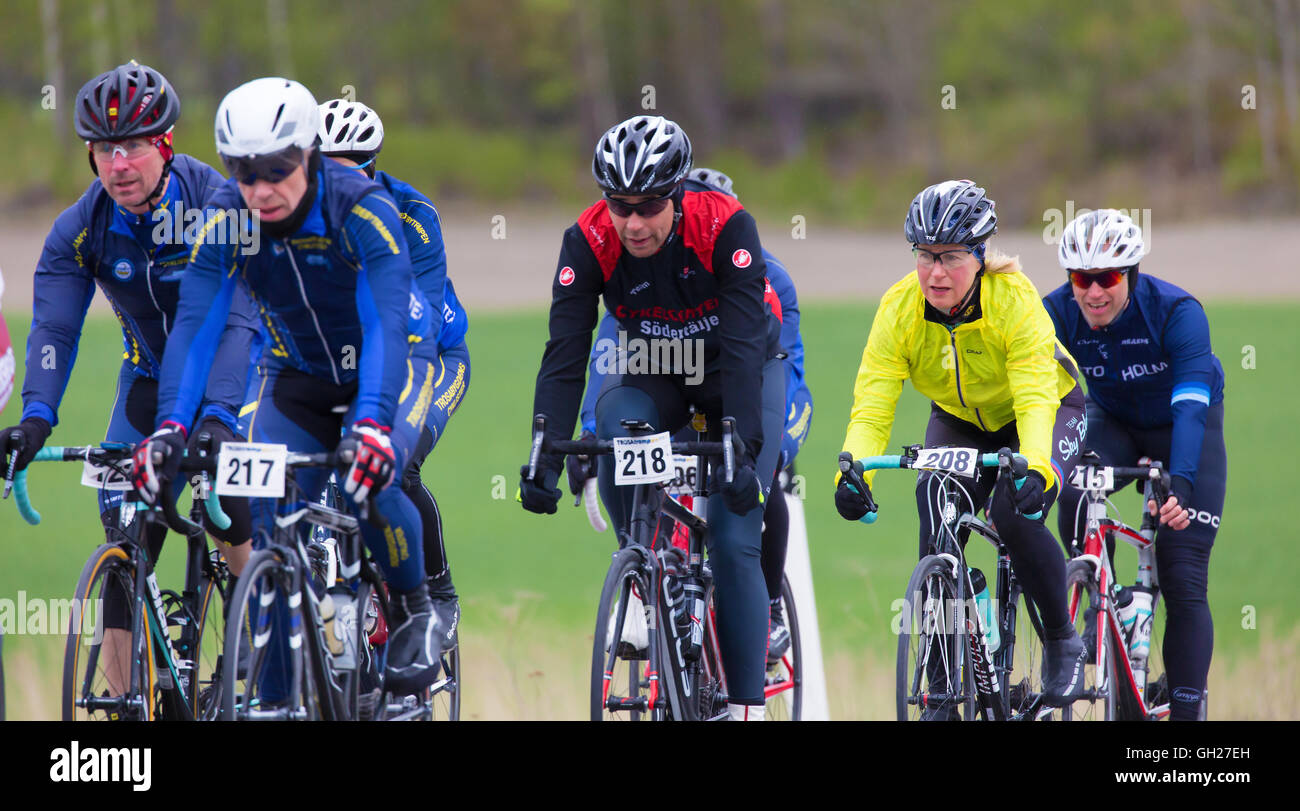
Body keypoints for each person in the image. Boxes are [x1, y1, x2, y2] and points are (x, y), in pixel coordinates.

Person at [129, 77, 442, 695]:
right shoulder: (226, 215)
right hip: (294, 375)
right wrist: (170, 428)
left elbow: (384, 322)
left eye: (277, 170)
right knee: (268, 517)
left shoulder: (359, 207)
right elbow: (195, 327)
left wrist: (374, 423)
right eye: (245, 173)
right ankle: (274, 697)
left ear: (309, 155)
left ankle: (415, 610)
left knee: (368, 482)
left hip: (386, 367)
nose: (261, 189)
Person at [0, 62, 258, 696]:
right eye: (104, 149)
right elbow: (55, 332)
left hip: (235, 374)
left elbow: (241, 322)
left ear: (165, 145)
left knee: (232, 511)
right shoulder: (81, 230)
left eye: (135, 146)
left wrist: (219, 419)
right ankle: (126, 711)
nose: (119, 164)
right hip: (147, 383)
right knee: (123, 535)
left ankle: (260, 659)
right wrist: (36, 417)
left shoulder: (215, 205)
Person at [518, 116, 786, 720]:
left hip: (737, 371)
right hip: (654, 367)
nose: (632, 223)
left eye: (647, 207)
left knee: (733, 531)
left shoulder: (725, 224)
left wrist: (742, 445)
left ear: (677, 194)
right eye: (619, 205)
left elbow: (745, 345)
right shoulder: (588, 238)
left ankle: (746, 709)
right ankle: (641, 567)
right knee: (616, 433)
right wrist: (547, 447)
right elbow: (565, 351)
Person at [834, 179, 1090, 715]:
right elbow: (873, 404)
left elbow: (1035, 396)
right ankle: (943, 684)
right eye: (925, 256)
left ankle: (1064, 639)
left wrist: (1038, 469)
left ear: (979, 256)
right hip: (959, 422)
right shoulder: (898, 308)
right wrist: (854, 474)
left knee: (1013, 515)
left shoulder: (1012, 301)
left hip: (1044, 411)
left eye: (950, 257)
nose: (935, 272)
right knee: (934, 511)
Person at [568, 166, 811, 665]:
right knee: (644, 455)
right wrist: (591, 431)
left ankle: (768, 608)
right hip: (678, 391)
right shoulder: (639, 269)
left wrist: (770, 446)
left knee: (765, 487)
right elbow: (610, 356)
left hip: (744, 393)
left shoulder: (768, 274)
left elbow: (784, 365)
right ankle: (655, 581)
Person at [1045, 208, 1225, 721]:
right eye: (1082, 278)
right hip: (1115, 421)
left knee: (1184, 573)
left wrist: (1182, 486)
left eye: (1106, 278)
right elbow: (1033, 397)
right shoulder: (1054, 313)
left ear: (1131, 274)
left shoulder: (1176, 312)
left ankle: (1186, 721)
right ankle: (1106, 599)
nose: (1093, 292)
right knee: (1074, 491)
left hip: (1186, 428)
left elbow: (1191, 406)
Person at [317, 97, 469, 651]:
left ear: (373, 166)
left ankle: (437, 592)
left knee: (394, 467)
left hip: (429, 357)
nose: (341, 182)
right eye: (326, 166)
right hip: (343, 363)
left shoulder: (411, 215)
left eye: (353, 168)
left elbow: (418, 326)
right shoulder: (292, 211)